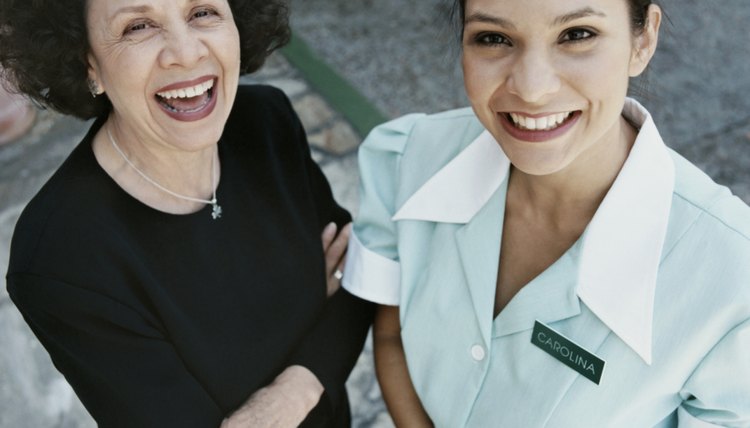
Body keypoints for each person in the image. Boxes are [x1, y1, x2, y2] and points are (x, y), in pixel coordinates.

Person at [342, 0, 750, 426]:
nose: (532, 88)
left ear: (643, 38)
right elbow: (391, 336)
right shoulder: (410, 157)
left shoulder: (734, 285)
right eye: (493, 38)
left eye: (576, 35)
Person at [1, 0, 373, 427]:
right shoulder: (60, 259)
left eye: (202, 12)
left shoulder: (267, 121)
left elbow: (358, 276)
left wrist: (291, 394)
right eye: (138, 26)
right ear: (89, 65)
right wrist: (318, 331)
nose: (186, 51)